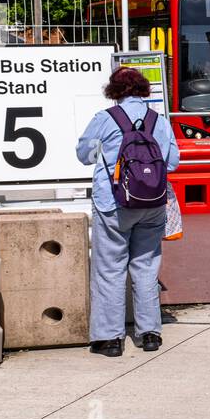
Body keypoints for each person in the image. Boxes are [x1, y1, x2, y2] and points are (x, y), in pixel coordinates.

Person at [76, 67, 180, 357]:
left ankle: (110, 340)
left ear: (114, 91)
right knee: (146, 267)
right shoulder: (159, 121)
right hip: (152, 203)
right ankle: (149, 335)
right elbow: (172, 163)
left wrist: (107, 155)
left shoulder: (104, 119)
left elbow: (84, 155)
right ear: (144, 89)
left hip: (114, 203)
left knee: (110, 269)